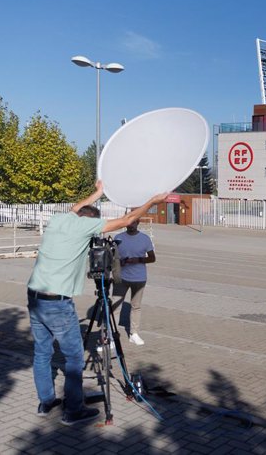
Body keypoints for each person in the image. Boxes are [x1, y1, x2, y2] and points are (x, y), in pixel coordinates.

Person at [27, 180, 167, 426]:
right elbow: (126, 221)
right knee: (74, 358)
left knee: (42, 352)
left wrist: (97, 193)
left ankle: (46, 401)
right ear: (89, 222)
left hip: (35, 296)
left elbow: (77, 206)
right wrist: (152, 202)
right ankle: (73, 411)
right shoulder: (83, 227)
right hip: (58, 302)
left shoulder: (60, 220)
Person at [113, 218, 155, 346]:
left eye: (133, 222)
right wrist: (121, 262)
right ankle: (112, 336)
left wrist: (139, 260)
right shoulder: (118, 238)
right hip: (121, 277)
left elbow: (152, 258)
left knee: (136, 306)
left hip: (139, 278)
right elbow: (113, 259)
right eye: (128, 222)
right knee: (114, 306)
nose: (131, 225)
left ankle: (134, 333)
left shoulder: (145, 238)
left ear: (138, 223)